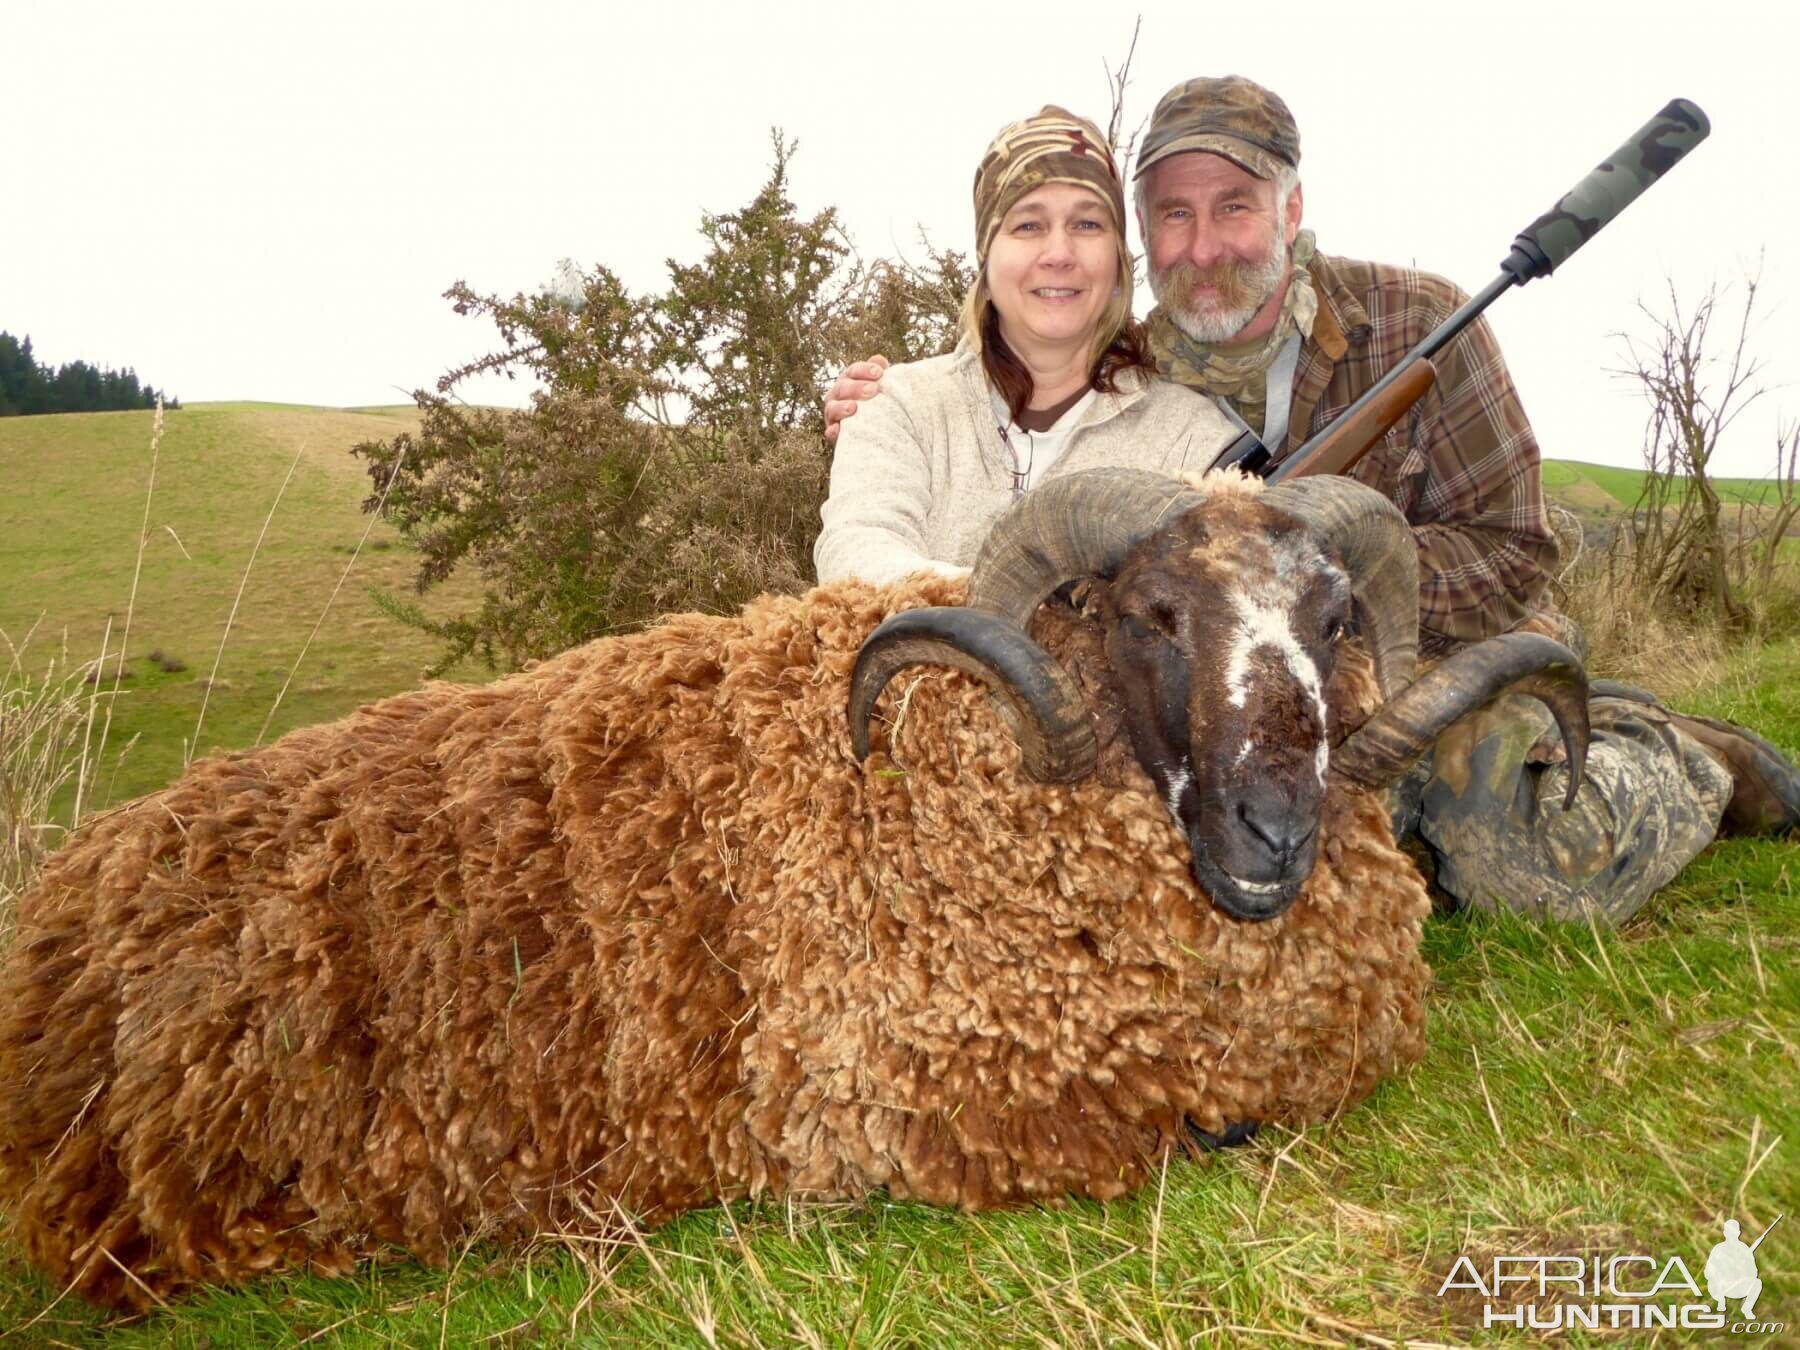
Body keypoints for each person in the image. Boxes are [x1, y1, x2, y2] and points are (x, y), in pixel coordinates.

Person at [823, 75, 1800, 923]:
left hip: (1426, 656)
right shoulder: (1145, 363)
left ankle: (1681, 759)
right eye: (1172, 213)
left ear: (1291, 211)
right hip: (1254, 684)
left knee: (1508, 865)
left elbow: (1515, 552)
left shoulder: (1418, 321)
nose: (1204, 243)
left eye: (1235, 206)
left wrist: (1327, 594)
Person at [813, 105, 1235, 587]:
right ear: (986, 262)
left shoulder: (1194, 442)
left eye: (1087, 224)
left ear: (1117, 262)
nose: (1058, 254)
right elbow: (856, 553)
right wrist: (1014, 607)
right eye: (1028, 226)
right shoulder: (897, 404)